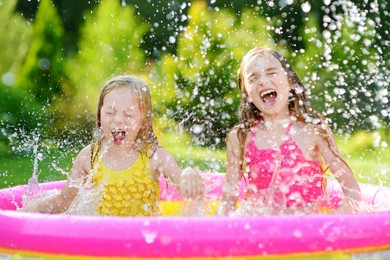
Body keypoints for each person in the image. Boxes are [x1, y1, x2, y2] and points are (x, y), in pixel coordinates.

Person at [23, 75, 203, 216]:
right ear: (100, 114)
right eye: (110, 112)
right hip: (103, 240)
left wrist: (189, 174)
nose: (118, 119)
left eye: (128, 114)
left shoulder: (154, 157)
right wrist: (31, 208)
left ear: (143, 121)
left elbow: (185, 185)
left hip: (143, 241)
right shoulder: (89, 156)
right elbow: (63, 201)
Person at [218, 47, 364, 216]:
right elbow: (228, 201)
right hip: (259, 230)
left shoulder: (312, 129)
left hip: (306, 231)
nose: (263, 81)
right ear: (246, 93)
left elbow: (352, 190)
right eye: (253, 78)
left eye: (271, 73)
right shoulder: (240, 137)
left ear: (290, 82)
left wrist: (332, 221)